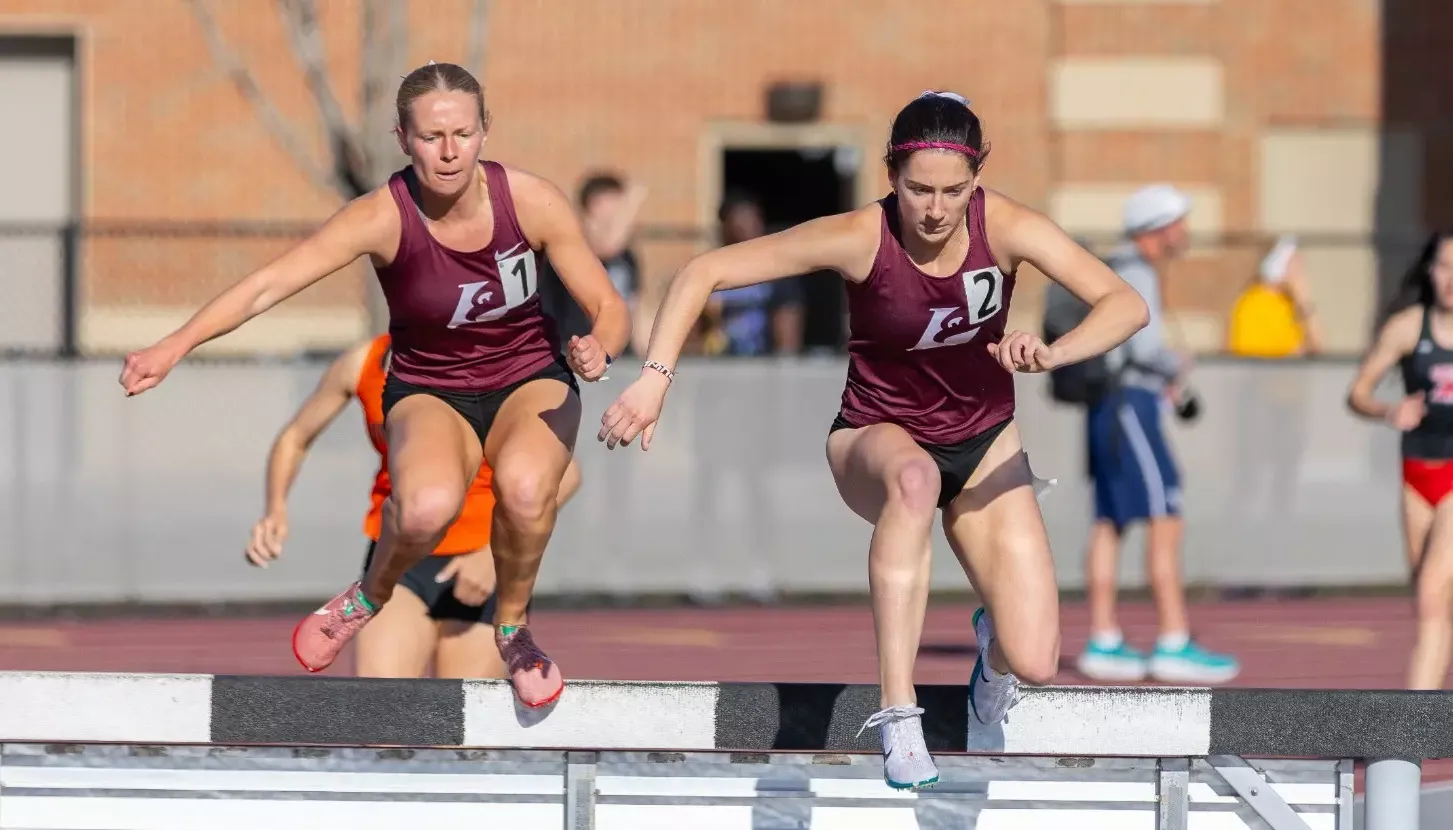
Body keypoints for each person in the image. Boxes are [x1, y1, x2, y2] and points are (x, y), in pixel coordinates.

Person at [596, 90, 1150, 790]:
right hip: (875, 436)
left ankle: (994, 652)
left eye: (954, 191)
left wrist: (1053, 350)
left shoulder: (1005, 226)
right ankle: (897, 710)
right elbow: (704, 272)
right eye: (918, 189)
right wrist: (653, 380)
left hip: (983, 444)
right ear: (890, 175)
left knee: (1035, 657)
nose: (936, 209)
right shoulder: (862, 235)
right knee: (914, 482)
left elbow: (1126, 304)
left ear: (977, 179)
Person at [118, 61, 630, 708]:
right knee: (422, 508)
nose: (448, 153)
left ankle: (513, 626)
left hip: (527, 374)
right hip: (429, 386)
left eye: (463, 134)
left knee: (529, 491)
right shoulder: (380, 217)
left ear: (484, 131)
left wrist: (597, 345)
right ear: (402, 138)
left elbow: (609, 305)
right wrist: (175, 344)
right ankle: (367, 596)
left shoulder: (529, 200)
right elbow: (269, 285)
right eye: (431, 137)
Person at [245, 333, 583, 678]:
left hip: (483, 562)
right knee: (381, 718)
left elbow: (566, 475)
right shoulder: (363, 363)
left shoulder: (494, 359)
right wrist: (275, 508)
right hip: (401, 558)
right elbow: (295, 437)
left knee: (458, 725)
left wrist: (489, 557)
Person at [1073, 184, 1241, 686]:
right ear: (1158, 227)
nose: (1184, 230)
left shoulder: (1117, 269)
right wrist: (1175, 364)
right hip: (1131, 407)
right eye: (1178, 221)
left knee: (1110, 522)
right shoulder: (1137, 272)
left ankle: (1103, 638)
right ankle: (1173, 640)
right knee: (1165, 516)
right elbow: (1142, 348)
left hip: (1111, 407)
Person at [1347, 231, 1453, 690]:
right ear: (1430, 271)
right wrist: (1390, 410)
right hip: (1416, 476)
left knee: (1433, 593)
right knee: (1433, 605)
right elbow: (1358, 393)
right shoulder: (1409, 327)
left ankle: (1409, 727)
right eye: (1446, 266)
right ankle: (1426, 717)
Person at [1226, 235, 1324, 358]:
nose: (1300, 270)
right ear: (1276, 266)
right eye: (1293, 263)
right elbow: (1257, 362)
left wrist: (1304, 301)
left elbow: (1319, 349)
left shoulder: (1291, 303)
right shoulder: (1253, 304)